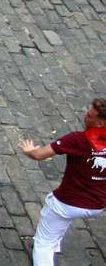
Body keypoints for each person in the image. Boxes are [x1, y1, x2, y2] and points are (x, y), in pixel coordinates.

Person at [20, 99, 106, 266]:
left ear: (101, 123)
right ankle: (55, 242)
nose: (85, 116)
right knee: (58, 226)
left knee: (43, 244)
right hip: (98, 204)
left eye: (89, 115)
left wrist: (29, 150)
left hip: (67, 203)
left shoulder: (77, 140)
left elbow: (39, 155)